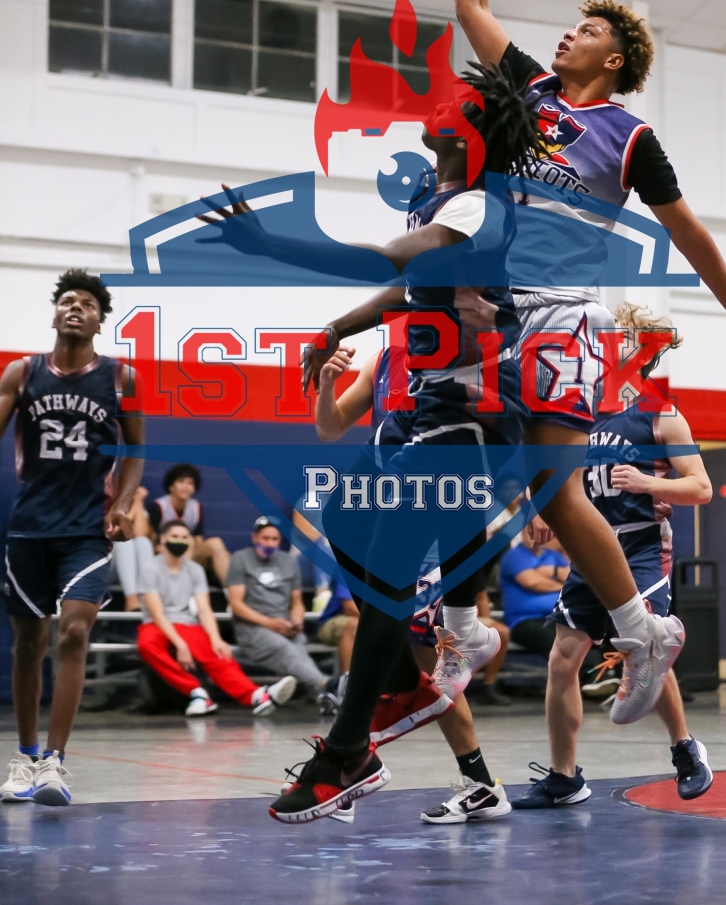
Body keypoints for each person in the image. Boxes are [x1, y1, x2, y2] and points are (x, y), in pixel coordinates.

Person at [428, 0, 726, 725]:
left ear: (613, 56)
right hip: (501, 318)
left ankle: (624, 629)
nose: (565, 35)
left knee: (552, 490)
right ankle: (483, 624)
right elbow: (472, 7)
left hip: (561, 317)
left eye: (583, 30)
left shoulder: (628, 137)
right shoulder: (531, 91)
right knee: (472, 465)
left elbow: (687, 230)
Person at [200, 66, 543, 823]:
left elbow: (389, 260)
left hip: (471, 419)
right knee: (347, 522)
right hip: (424, 416)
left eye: (456, 101)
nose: (438, 100)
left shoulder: (478, 203)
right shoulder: (441, 200)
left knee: (386, 578)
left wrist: (270, 244)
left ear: (471, 133)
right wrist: (337, 327)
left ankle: (348, 753)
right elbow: (405, 288)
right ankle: (413, 675)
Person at [512, 304, 714, 810]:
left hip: (641, 544)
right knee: (562, 659)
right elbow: (549, 471)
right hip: (591, 545)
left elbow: (701, 487)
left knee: (642, 640)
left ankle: (686, 750)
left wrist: (650, 482)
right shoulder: (582, 412)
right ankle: (564, 776)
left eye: (619, 340)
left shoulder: (661, 414)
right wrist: (536, 506)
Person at [313, 350, 511, 827]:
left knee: (410, 658)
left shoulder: (468, 356)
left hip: (431, 531)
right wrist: (326, 385)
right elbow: (330, 428)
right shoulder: (384, 361)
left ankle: (349, 769)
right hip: (385, 524)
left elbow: (504, 437)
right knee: (415, 666)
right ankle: (479, 783)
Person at [0, 269, 144, 807]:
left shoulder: (122, 377)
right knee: (28, 644)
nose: (75, 307)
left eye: (87, 303)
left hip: (88, 527)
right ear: (55, 313)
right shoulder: (22, 372)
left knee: (74, 633)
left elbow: (136, 450)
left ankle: (54, 762)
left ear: (100, 320)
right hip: (30, 526)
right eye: (67, 300)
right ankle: (25, 756)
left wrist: (123, 504)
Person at [137, 519, 296, 718]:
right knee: (146, 644)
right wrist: (180, 644)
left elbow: (204, 609)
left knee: (218, 652)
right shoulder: (149, 569)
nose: (180, 540)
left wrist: (216, 638)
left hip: (186, 623)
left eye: (184, 537)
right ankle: (196, 693)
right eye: (175, 536)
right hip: (156, 624)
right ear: (163, 539)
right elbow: (156, 613)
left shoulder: (195, 570)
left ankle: (257, 696)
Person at [226, 518, 331, 701]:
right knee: (286, 649)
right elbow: (236, 604)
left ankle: (323, 697)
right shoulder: (240, 559)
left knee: (298, 643)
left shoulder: (288, 561)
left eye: (274, 539)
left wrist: (296, 622)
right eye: (265, 538)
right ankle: (327, 686)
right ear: (255, 538)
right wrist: (269, 623)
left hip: (285, 625)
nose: (270, 543)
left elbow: (297, 601)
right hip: (253, 628)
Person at [145, 464, 230, 587]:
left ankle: (230, 592)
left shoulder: (196, 508)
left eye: (190, 483)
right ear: (171, 486)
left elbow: (198, 540)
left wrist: (221, 554)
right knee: (185, 541)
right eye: (181, 481)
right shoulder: (158, 507)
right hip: (163, 554)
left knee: (216, 544)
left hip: (189, 554)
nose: (186, 487)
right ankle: (183, 590)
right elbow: (152, 543)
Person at [499, 531, 569, 660]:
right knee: (556, 643)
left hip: (556, 617)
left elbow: (573, 578)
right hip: (524, 620)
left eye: (539, 531)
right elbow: (532, 582)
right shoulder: (514, 555)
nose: (534, 534)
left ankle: (591, 671)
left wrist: (553, 571)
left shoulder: (554, 556)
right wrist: (561, 584)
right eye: (530, 530)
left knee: (579, 636)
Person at [317, 577, 359, 673]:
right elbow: (350, 607)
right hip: (332, 621)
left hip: (369, 622)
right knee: (353, 625)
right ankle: (347, 678)